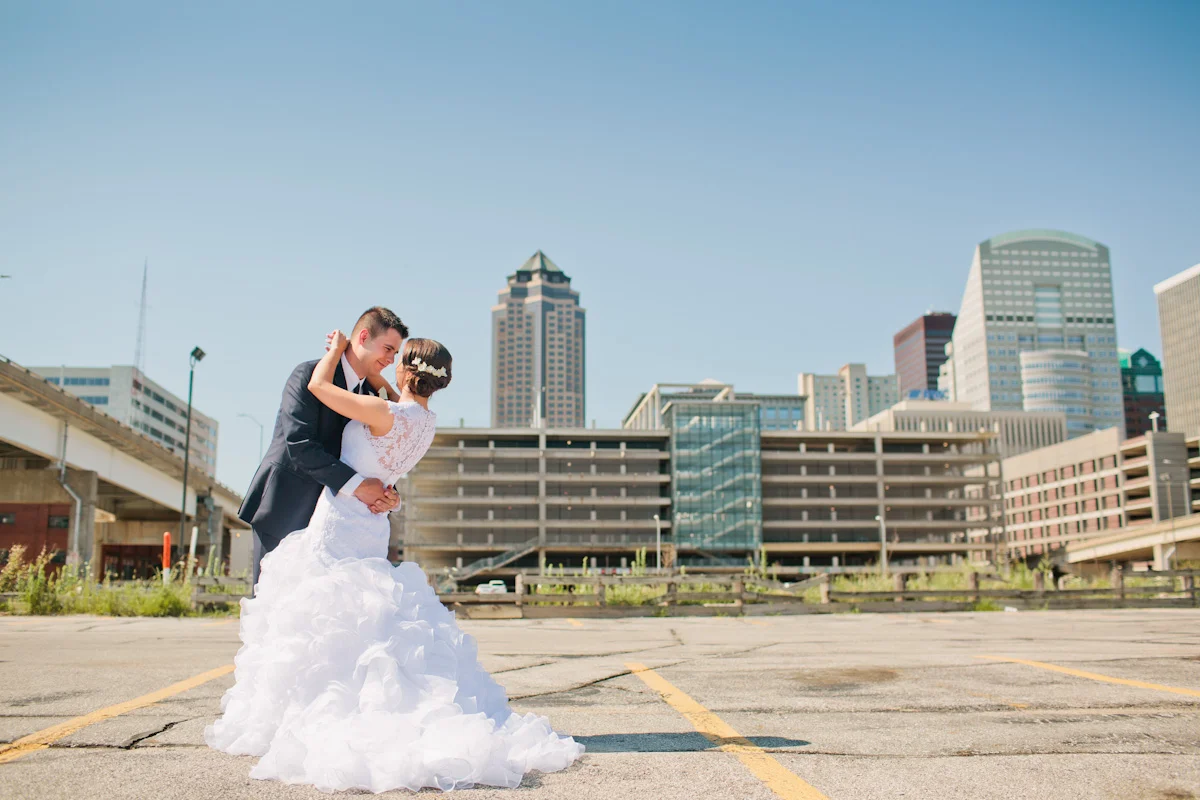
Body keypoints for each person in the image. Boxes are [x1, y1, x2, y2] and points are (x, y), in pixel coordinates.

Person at [206, 332, 584, 792]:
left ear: (406, 370)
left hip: (343, 519)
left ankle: (326, 709)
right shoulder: (425, 423)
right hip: (374, 520)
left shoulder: (383, 411)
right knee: (364, 614)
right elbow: (386, 448)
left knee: (327, 613)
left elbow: (321, 389)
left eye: (397, 358)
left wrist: (333, 351)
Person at [237, 307, 407, 587]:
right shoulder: (307, 374)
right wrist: (361, 487)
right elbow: (300, 445)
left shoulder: (370, 398)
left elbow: (373, 454)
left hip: (335, 526)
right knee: (274, 606)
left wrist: (390, 496)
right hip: (287, 508)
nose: (391, 359)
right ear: (363, 336)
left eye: (395, 353)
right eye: (388, 349)